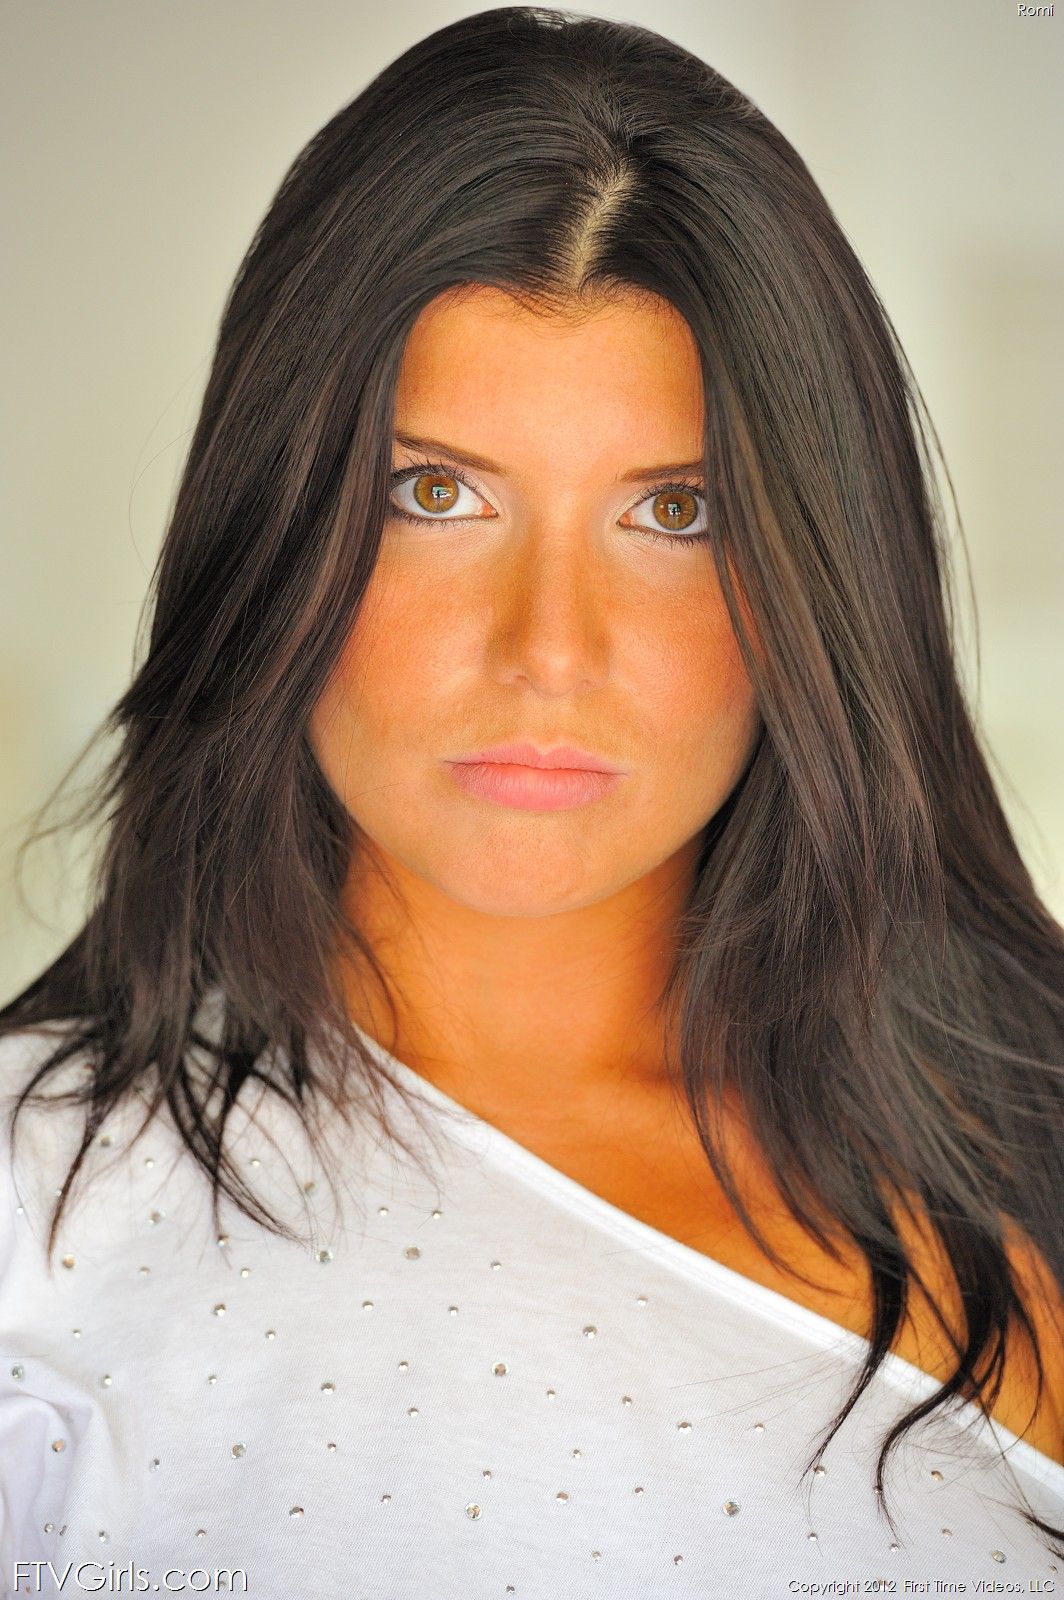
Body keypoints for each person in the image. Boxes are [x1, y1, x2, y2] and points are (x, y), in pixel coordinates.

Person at [1, 6, 1061, 1593]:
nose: (549, 650)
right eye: (435, 494)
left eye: (676, 512)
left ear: (822, 573)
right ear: (275, 532)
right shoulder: (39, 1214)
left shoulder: (1033, 1149)